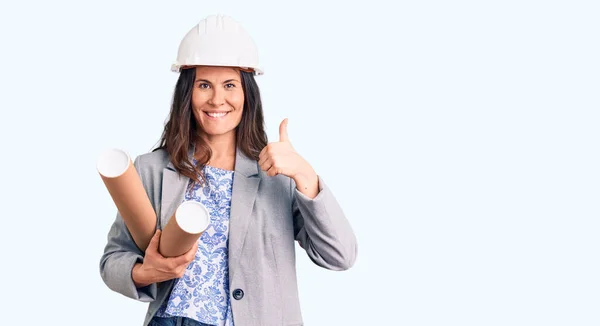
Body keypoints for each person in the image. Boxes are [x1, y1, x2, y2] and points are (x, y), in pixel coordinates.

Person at [99, 14, 357, 326]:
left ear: (247, 93)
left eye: (230, 85)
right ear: (187, 94)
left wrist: (306, 175)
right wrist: (144, 272)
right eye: (204, 85)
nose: (217, 99)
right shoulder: (152, 168)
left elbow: (339, 255)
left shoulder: (278, 174)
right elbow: (113, 260)